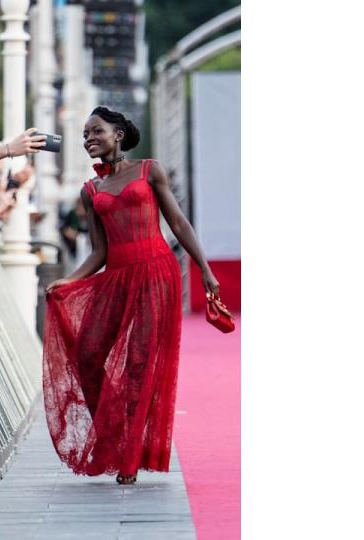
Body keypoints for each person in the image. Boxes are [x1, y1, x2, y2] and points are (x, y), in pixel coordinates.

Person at [42, 106, 221, 485]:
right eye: (85, 134)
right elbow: (98, 252)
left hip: (156, 273)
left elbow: (177, 222)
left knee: (139, 363)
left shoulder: (149, 170)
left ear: (118, 134)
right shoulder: (90, 191)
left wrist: (204, 270)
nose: (89, 138)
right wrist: (67, 282)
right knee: (88, 352)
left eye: (96, 131)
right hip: (116, 277)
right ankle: (117, 430)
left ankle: (129, 456)